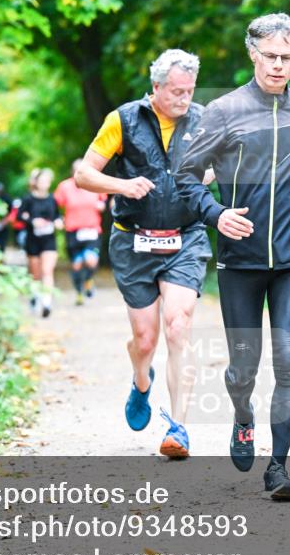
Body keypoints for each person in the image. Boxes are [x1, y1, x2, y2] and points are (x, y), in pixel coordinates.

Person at [173, 14, 290, 499]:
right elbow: (186, 175)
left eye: (287, 57)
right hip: (241, 258)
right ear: (252, 54)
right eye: (270, 56)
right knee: (243, 367)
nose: (279, 65)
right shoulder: (223, 110)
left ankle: (278, 468)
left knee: (289, 363)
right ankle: (242, 415)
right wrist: (216, 215)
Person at [74, 49, 213, 459]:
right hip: (134, 239)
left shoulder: (203, 119)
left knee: (178, 325)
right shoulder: (123, 119)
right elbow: (84, 174)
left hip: (185, 237)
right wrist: (122, 186)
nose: (183, 100)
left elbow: (221, 166)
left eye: (189, 91)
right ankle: (141, 381)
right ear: (155, 88)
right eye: (175, 92)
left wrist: (208, 174)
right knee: (145, 338)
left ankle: (179, 428)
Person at [54, 160, 107, 306]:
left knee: (90, 260)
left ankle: (89, 280)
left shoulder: (95, 184)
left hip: (92, 230)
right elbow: (54, 205)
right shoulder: (65, 187)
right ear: (73, 172)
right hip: (73, 231)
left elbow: (103, 201)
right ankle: (79, 293)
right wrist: (58, 218)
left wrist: (101, 205)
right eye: (77, 170)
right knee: (76, 265)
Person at [17, 168, 62, 318]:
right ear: (36, 182)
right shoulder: (28, 199)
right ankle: (35, 297)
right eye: (42, 180)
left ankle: (47, 302)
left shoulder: (52, 199)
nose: (44, 183)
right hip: (33, 240)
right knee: (35, 274)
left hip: (49, 239)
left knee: (47, 270)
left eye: (47, 181)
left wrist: (58, 222)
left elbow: (57, 216)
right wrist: (32, 221)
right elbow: (19, 217)